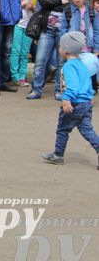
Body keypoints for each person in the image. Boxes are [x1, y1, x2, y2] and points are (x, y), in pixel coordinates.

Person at [40, 32, 99, 168]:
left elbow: (72, 86)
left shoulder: (69, 66)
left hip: (74, 103)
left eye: (60, 46)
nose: (59, 48)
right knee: (86, 129)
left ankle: (58, 155)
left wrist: (66, 99)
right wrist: (90, 96)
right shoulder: (82, 64)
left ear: (65, 49)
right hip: (85, 103)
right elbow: (88, 83)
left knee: (62, 129)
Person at [28, 0, 75, 101]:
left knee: (61, 63)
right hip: (46, 30)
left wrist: (52, 2)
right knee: (40, 60)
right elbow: (43, 2)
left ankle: (59, 91)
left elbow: (70, 4)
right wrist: (60, 1)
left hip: (63, 31)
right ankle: (36, 90)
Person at [10, 0, 38, 87]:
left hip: (29, 25)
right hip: (17, 23)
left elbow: (38, 9)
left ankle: (22, 77)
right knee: (15, 51)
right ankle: (14, 76)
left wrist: (31, 7)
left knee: (25, 52)